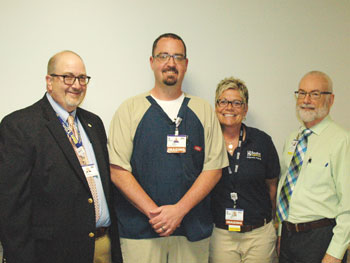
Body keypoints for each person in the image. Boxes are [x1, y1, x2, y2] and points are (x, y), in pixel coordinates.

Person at [108, 33, 228, 263]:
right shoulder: (130, 109)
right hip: (140, 233)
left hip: (193, 231)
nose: (170, 63)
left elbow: (214, 169)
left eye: (177, 57)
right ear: (152, 62)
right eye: (163, 56)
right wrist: (157, 215)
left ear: (185, 64)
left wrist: (179, 211)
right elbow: (118, 170)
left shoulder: (203, 111)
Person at [0, 51, 122, 263]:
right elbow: (11, 207)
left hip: (102, 247)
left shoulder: (94, 123)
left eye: (82, 78)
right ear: (49, 81)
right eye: (67, 77)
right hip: (53, 253)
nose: (76, 85)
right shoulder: (20, 126)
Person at [276, 71, 350, 263]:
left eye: (315, 94)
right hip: (289, 237)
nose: (306, 100)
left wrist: (334, 254)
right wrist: (281, 234)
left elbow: (348, 205)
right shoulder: (294, 138)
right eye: (301, 93)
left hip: (320, 238)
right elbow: (287, 187)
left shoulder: (342, 141)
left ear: (331, 99)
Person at [209, 77, 280, 263]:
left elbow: (272, 186)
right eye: (223, 101)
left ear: (245, 109)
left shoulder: (262, 141)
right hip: (221, 235)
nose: (229, 107)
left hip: (258, 235)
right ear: (216, 106)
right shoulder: (207, 141)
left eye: (236, 103)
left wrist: (273, 222)